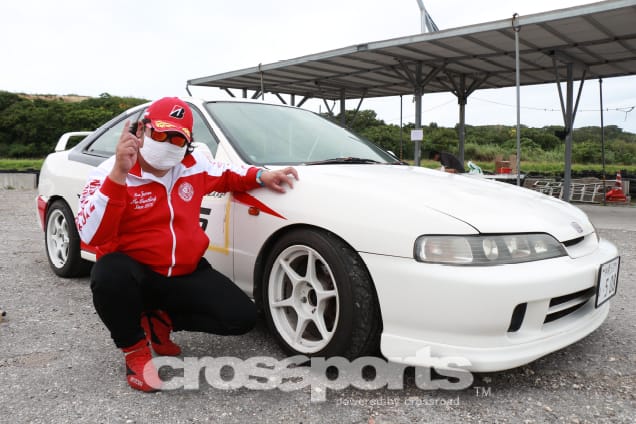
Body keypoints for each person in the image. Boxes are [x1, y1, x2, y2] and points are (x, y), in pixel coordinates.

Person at [75, 97, 299, 392]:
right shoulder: (108, 172)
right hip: (136, 273)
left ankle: (160, 321)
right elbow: (91, 235)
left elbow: (227, 175)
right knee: (107, 274)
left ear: (188, 143)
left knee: (241, 318)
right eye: (160, 135)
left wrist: (260, 175)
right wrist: (119, 173)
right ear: (141, 130)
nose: (168, 144)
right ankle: (135, 351)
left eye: (177, 138)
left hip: (185, 270)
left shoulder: (193, 165)